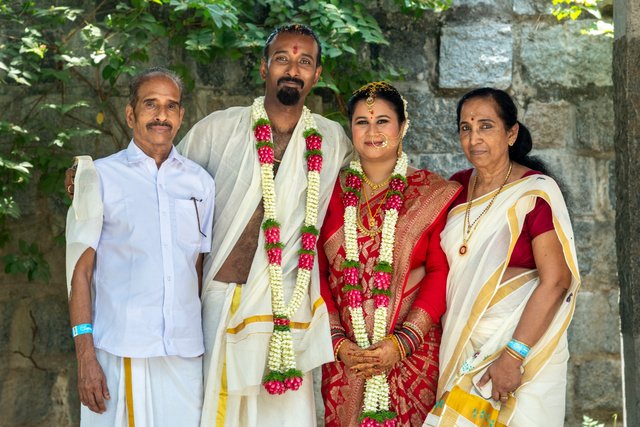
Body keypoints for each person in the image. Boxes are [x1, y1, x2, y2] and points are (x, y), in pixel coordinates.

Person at [176, 25, 352, 426]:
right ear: (264, 67)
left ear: (317, 74)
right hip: (221, 299)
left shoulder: (332, 139)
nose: (293, 69)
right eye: (283, 59)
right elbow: (164, 179)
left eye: (304, 61)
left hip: (291, 309)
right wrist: (91, 180)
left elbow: (373, 182)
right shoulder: (219, 129)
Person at [65, 67, 215, 427]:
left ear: (181, 116)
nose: (161, 115)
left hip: (184, 354)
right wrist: (85, 355)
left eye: (171, 106)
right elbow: (79, 272)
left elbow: (195, 268)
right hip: (120, 350)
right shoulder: (98, 177)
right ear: (131, 114)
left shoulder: (200, 182)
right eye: (151, 104)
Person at [424, 88, 580, 427]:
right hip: (464, 342)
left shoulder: (534, 191)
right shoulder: (455, 188)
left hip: (522, 347)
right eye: (465, 128)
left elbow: (556, 281)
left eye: (485, 126)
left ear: (511, 133)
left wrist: (513, 356)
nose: (474, 138)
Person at [318, 82, 461, 426]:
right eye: (362, 122)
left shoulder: (433, 192)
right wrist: (337, 342)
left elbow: (441, 272)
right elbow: (316, 272)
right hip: (345, 357)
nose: (372, 132)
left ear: (403, 126)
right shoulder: (326, 192)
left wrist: (402, 342)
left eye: (383, 121)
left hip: (412, 353)